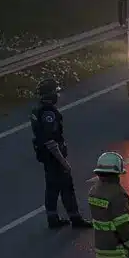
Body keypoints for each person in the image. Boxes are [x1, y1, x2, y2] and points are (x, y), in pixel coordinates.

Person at [30, 79, 90, 229]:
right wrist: (64, 162)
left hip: (45, 156)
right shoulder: (49, 113)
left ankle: (52, 218)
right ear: (50, 94)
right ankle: (75, 218)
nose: (58, 94)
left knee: (52, 187)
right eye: (55, 92)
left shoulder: (38, 110)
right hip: (54, 157)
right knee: (66, 187)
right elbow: (51, 141)